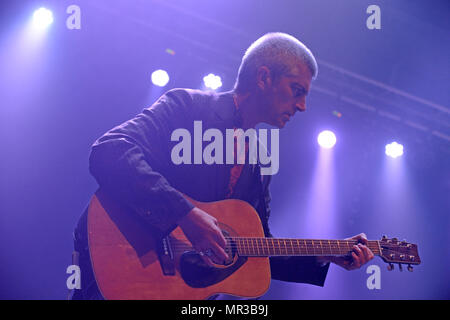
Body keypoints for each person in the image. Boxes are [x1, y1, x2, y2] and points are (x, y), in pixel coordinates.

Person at [71, 32, 374, 300]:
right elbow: (110, 150)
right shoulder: (187, 107)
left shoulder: (259, 162)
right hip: (123, 267)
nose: (302, 106)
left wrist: (324, 255)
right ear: (264, 77)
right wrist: (185, 215)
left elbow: (255, 248)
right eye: (297, 90)